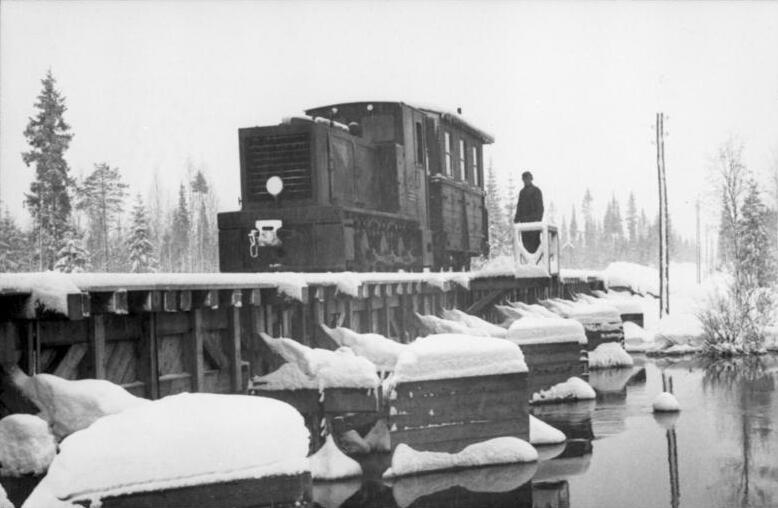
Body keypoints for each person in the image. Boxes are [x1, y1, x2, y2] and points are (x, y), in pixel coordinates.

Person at [513, 171, 544, 253]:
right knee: (525, 246)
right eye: (524, 179)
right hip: (524, 224)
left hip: (534, 225)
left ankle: (537, 264)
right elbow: (519, 207)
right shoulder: (522, 193)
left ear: (531, 179)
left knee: (535, 246)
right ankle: (527, 264)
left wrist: (538, 221)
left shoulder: (537, 191)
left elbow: (540, 208)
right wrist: (516, 220)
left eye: (527, 179)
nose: (526, 181)